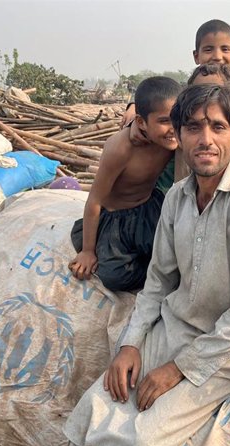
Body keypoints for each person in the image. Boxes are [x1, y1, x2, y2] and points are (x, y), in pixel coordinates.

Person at [63, 84, 230, 446]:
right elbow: (156, 283)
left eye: (218, 127)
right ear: (179, 135)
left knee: (140, 442)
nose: (205, 140)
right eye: (193, 127)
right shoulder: (176, 198)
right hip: (178, 324)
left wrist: (178, 368)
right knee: (91, 411)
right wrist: (130, 344)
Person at [122, 19, 230, 180]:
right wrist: (135, 110)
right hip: (198, 157)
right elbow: (160, 101)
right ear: (196, 56)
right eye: (209, 49)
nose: (217, 57)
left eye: (224, 49)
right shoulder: (190, 88)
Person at [68, 76, 181, 291]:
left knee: (174, 254)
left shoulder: (173, 140)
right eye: (164, 121)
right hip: (116, 219)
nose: (173, 127)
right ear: (141, 122)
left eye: (177, 118)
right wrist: (88, 251)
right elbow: (94, 200)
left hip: (151, 208)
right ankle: (149, 272)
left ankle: (157, 270)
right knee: (114, 277)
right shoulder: (120, 149)